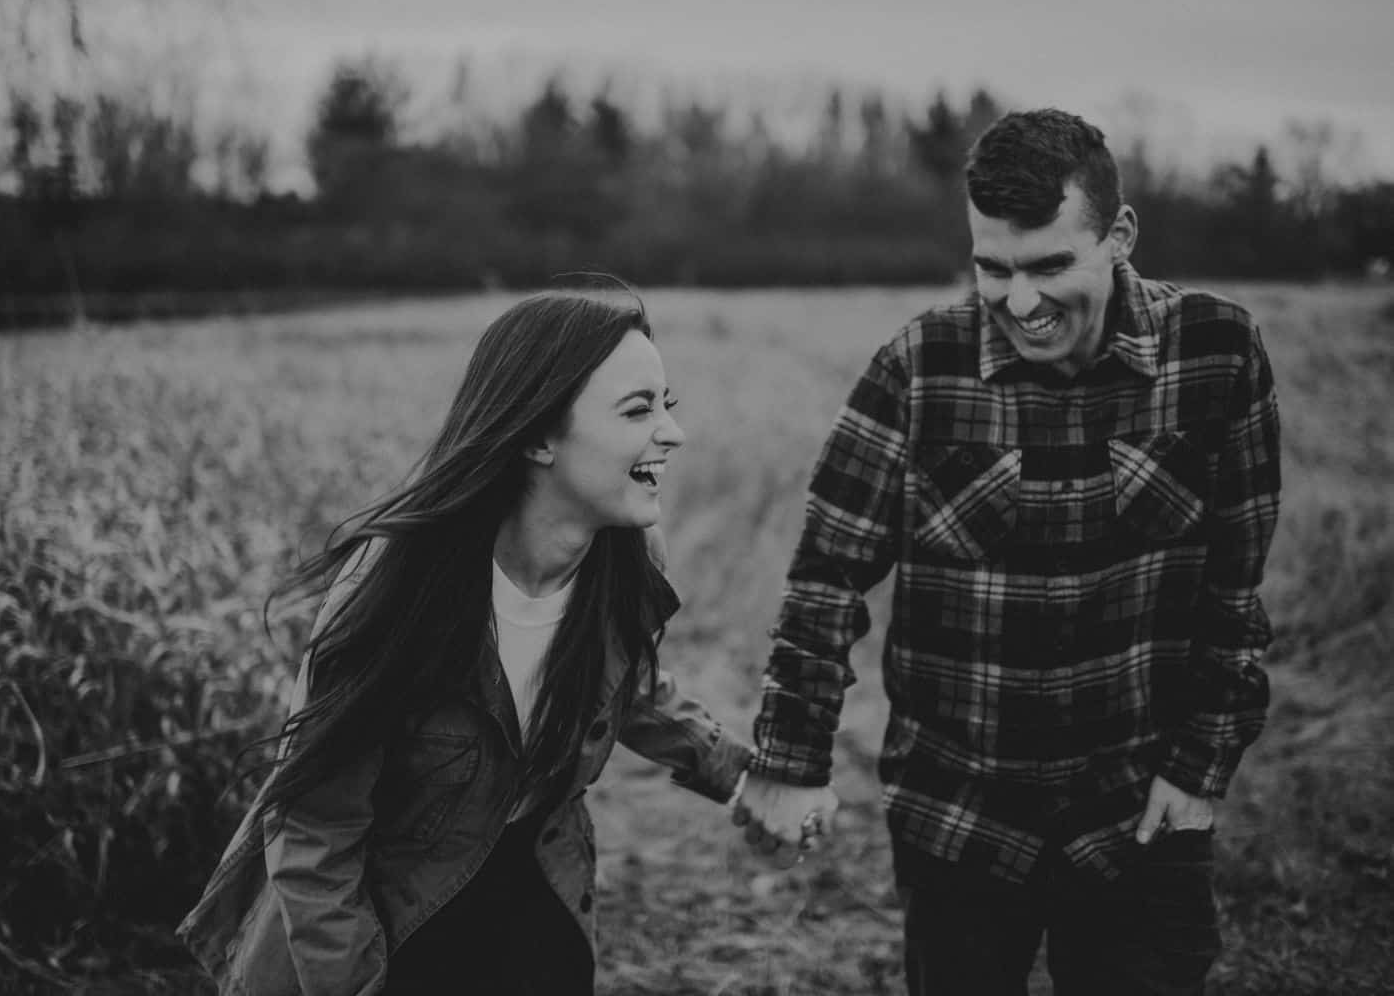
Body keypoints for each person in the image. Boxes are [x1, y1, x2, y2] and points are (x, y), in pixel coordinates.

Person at [734, 108, 1281, 995]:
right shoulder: (917, 367)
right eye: (994, 269)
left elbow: (1235, 586)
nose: (1019, 302)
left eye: (1051, 265)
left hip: (1141, 817)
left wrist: (1201, 766)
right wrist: (792, 763)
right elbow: (827, 576)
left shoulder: (1217, 354)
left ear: (1119, 236)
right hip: (960, 817)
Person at [177, 282, 751, 995]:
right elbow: (315, 830)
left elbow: (622, 684)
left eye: (668, 404)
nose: (672, 431)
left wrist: (742, 773)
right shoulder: (398, 592)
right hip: (383, 921)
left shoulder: (626, 554)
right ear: (538, 435)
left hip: (536, 893)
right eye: (638, 409)